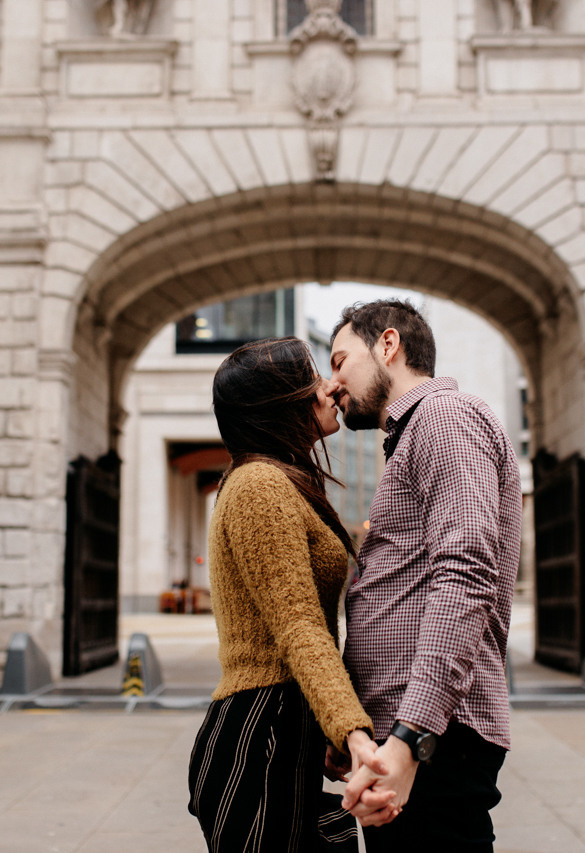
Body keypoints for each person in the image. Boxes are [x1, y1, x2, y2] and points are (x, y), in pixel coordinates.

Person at [328, 300, 522, 851]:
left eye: (341, 361)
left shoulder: (443, 418)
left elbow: (465, 575)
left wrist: (411, 739)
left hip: (435, 739)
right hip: (415, 736)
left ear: (387, 345)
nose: (333, 382)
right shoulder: (413, 434)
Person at [187, 337, 392, 852]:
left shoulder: (278, 480)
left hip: (281, 724)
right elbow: (298, 626)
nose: (329, 387)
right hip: (261, 729)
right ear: (279, 403)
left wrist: (327, 726)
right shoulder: (260, 485)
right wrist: (353, 731)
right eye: (311, 379)